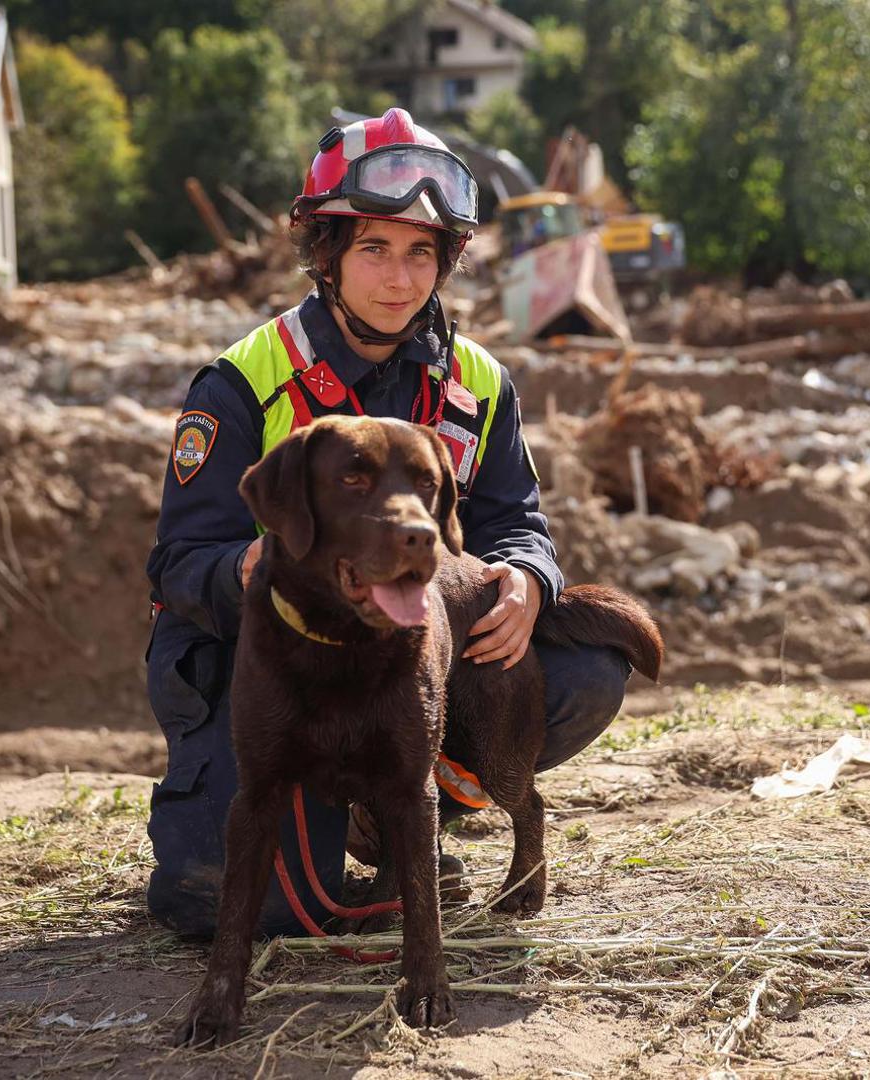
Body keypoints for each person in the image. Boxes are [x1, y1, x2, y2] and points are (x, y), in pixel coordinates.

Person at [143, 108, 632, 938]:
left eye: (420, 252)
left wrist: (526, 579)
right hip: (261, 658)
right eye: (373, 248)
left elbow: (517, 520)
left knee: (584, 670)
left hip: (406, 656)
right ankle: (315, 818)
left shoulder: (480, 384)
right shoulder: (243, 381)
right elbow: (180, 563)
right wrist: (257, 571)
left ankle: (404, 811)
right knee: (242, 906)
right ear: (326, 255)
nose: (399, 279)